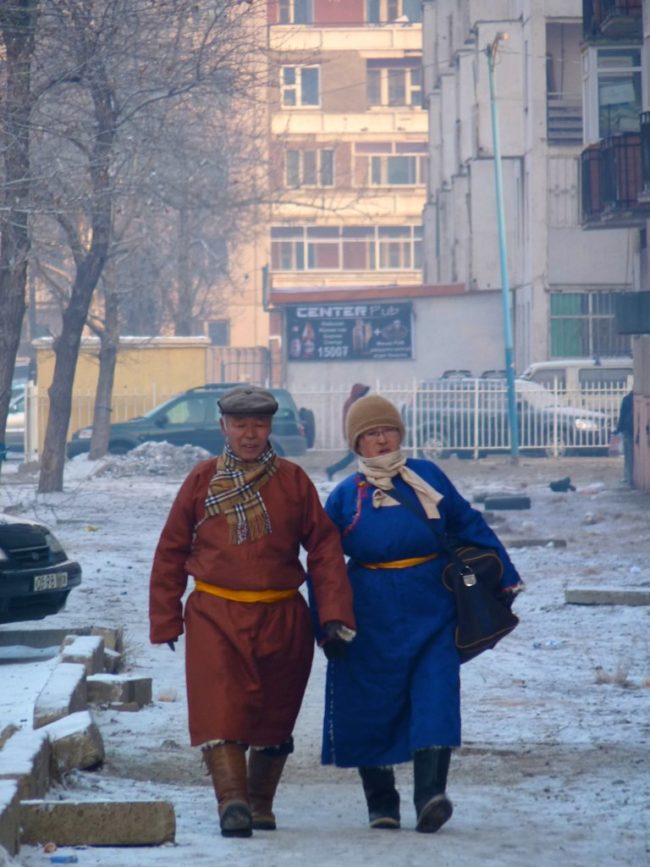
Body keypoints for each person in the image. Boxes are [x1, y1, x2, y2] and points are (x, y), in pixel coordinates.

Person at [149, 385, 356, 838]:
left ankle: (261, 804)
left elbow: (324, 549)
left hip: (281, 616)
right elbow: (171, 550)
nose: (249, 434)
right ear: (223, 426)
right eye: (239, 424)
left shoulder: (293, 481)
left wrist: (334, 615)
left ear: (269, 427)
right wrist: (165, 616)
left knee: (274, 712)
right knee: (219, 708)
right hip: (214, 614)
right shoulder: (201, 480)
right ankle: (233, 803)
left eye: (258, 425)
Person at [317, 394, 523, 833]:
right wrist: (328, 619)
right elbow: (324, 561)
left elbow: (467, 522)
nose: (382, 439)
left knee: (436, 693)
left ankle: (431, 796)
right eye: (371, 433)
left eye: (388, 430)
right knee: (369, 702)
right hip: (370, 612)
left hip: (433, 604)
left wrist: (505, 574)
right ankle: (382, 804)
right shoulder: (345, 495)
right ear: (357, 443)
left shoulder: (427, 476)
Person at [325, 383, 370, 481]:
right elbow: (353, 419)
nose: (363, 394)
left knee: (357, 456)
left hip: (354, 432)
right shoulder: (351, 403)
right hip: (353, 433)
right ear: (356, 392)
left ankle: (362, 475)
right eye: (361, 392)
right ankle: (332, 470)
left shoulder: (353, 402)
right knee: (354, 456)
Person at [615, 390, 634, 488]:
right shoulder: (630, 400)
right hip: (632, 430)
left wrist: (618, 429)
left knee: (628, 456)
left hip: (628, 430)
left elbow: (622, 417)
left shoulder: (627, 399)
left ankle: (629, 478)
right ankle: (629, 478)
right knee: (629, 455)